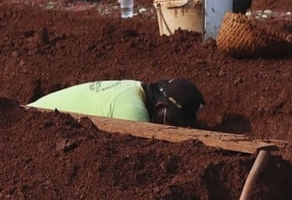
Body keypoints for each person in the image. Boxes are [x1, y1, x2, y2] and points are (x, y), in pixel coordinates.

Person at [27, 78, 205, 128]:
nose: (180, 131)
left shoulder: (134, 89)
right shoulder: (132, 112)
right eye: (176, 124)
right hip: (33, 123)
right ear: (160, 108)